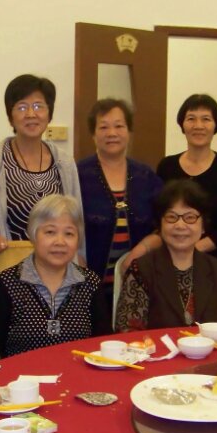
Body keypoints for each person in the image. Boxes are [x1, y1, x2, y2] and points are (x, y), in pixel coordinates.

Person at [0, 74, 82, 256]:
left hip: (57, 266)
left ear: (49, 113)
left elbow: (76, 222)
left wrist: (79, 262)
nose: (31, 114)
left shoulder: (65, 164)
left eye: (38, 106)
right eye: (22, 107)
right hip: (7, 267)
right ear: (10, 117)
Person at [0, 194, 111, 357]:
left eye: (69, 234)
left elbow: (104, 345)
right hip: (21, 373)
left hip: (77, 372)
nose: (60, 242)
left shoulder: (90, 283)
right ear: (33, 234)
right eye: (50, 232)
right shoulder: (7, 283)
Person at [115, 180, 217, 331]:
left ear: (203, 226)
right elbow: (127, 330)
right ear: (160, 224)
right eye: (171, 217)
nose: (180, 225)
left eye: (190, 217)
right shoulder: (141, 270)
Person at [77, 99, 163, 309]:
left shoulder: (146, 175)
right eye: (103, 127)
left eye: (119, 126)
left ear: (129, 131)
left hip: (139, 282)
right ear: (93, 134)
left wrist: (139, 251)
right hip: (85, 283)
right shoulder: (77, 174)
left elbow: (164, 226)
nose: (112, 133)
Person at [157, 94, 217, 277]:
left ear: (216, 125)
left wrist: (194, 249)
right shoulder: (166, 166)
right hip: (170, 261)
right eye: (191, 119)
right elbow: (158, 214)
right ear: (182, 125)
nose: (198, 126)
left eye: (206, 119)